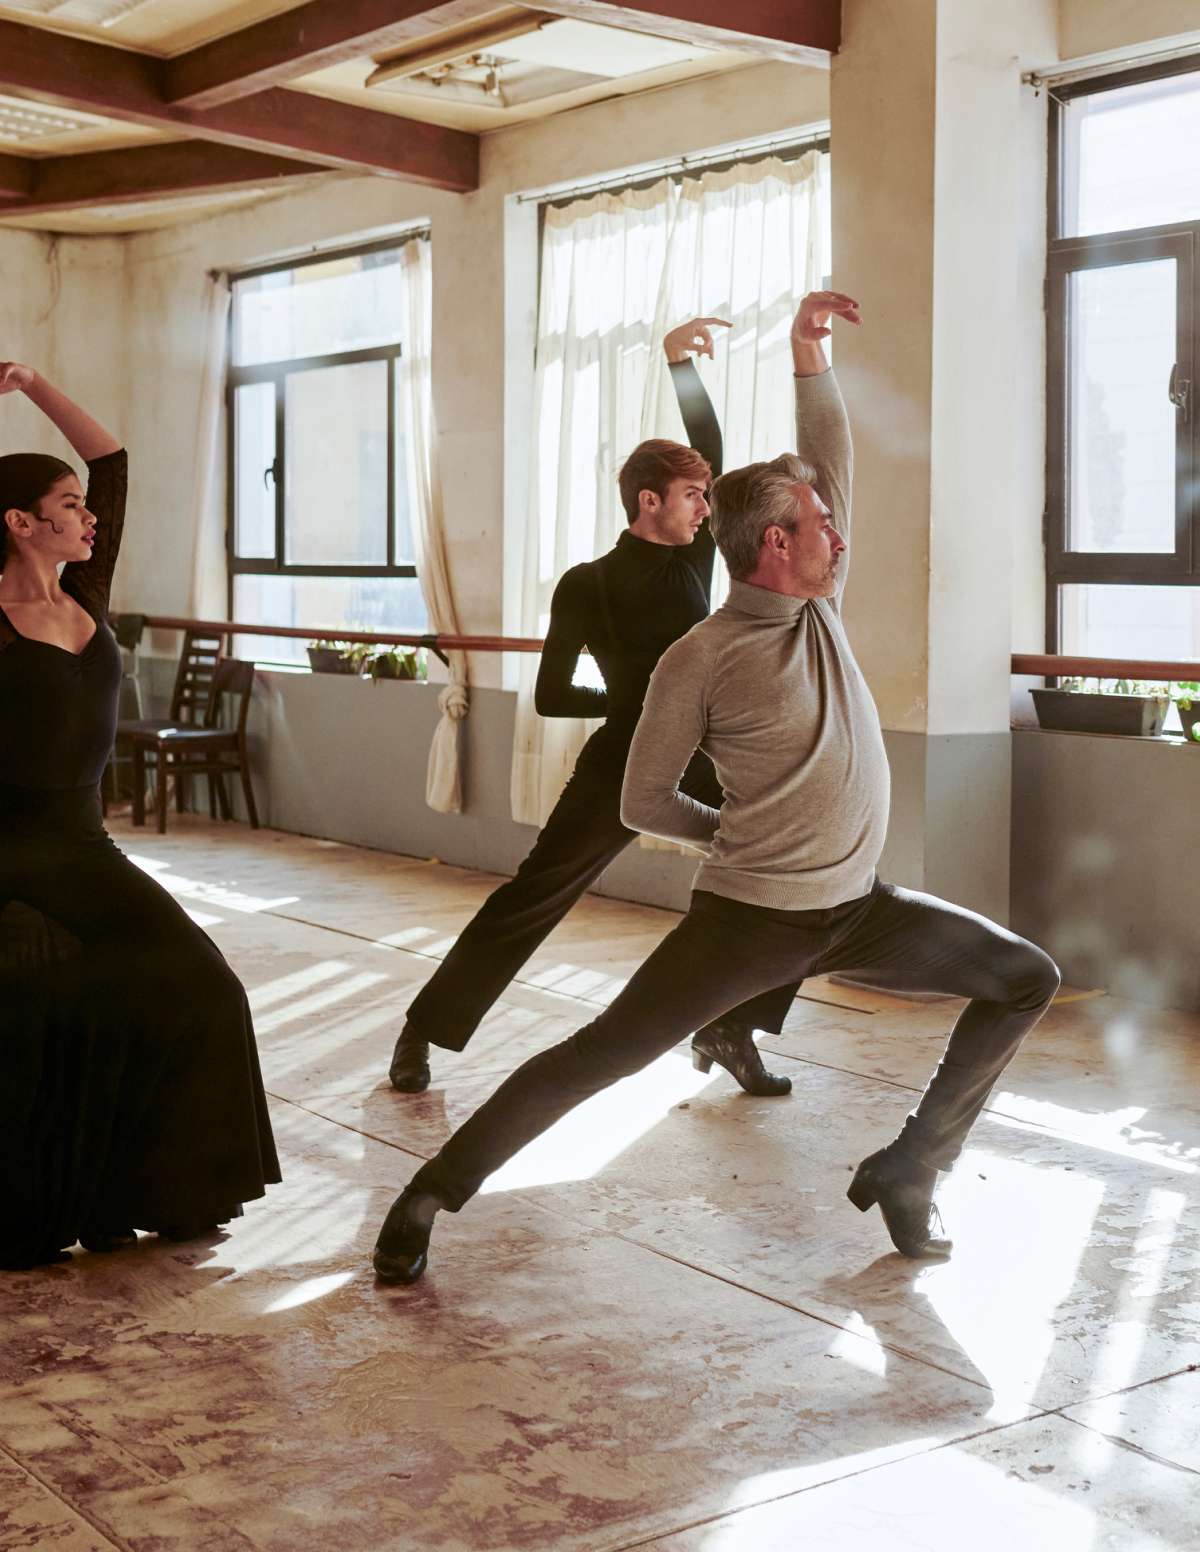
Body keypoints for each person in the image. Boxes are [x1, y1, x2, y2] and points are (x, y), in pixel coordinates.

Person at [372, 291, 1060, 1285]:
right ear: (774, 544)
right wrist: (735, 835)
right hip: (750, 922)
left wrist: (807, 354)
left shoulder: (821, 609)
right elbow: (642, 802)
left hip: (857, 911)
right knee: (600, 1054)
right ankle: (429, 1191)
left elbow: (828, 461)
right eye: (819, 523)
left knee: (1022, 976)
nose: (837, 530)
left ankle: (913, 1166)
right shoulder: (699, 658)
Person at [387, 317, 797, 1100]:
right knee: (532, 898)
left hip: (712, 757)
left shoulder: (699, 556)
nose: (705, 509)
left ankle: (732, 1029)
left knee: (792, 871)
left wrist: (679, 361)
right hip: (623, 758)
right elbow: (551, 693)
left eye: (706, 497)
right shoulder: (586, 583)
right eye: (690, 497)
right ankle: (422, 1031)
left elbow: (711, 439)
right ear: (649, 501)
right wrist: (642, 704)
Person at [0, 360, 280, 1271]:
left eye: (84, 509)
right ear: (19, 523)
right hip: (11, 849)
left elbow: (111, 461)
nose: (87, 517)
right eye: (66, 506)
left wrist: (33, 382)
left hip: (82, 845)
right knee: (53, 998)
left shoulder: (84, 590)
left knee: (201, 987)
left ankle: (159, 1191)